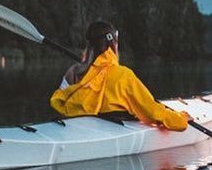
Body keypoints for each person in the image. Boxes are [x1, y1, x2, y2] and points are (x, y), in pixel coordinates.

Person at [50, 21, 190, 130]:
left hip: (75, 127)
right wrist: (181, 119)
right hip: (111, 128)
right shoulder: (124, 75)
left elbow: (58, 102)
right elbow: (151, 112)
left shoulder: (73, 72)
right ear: (113, 45)